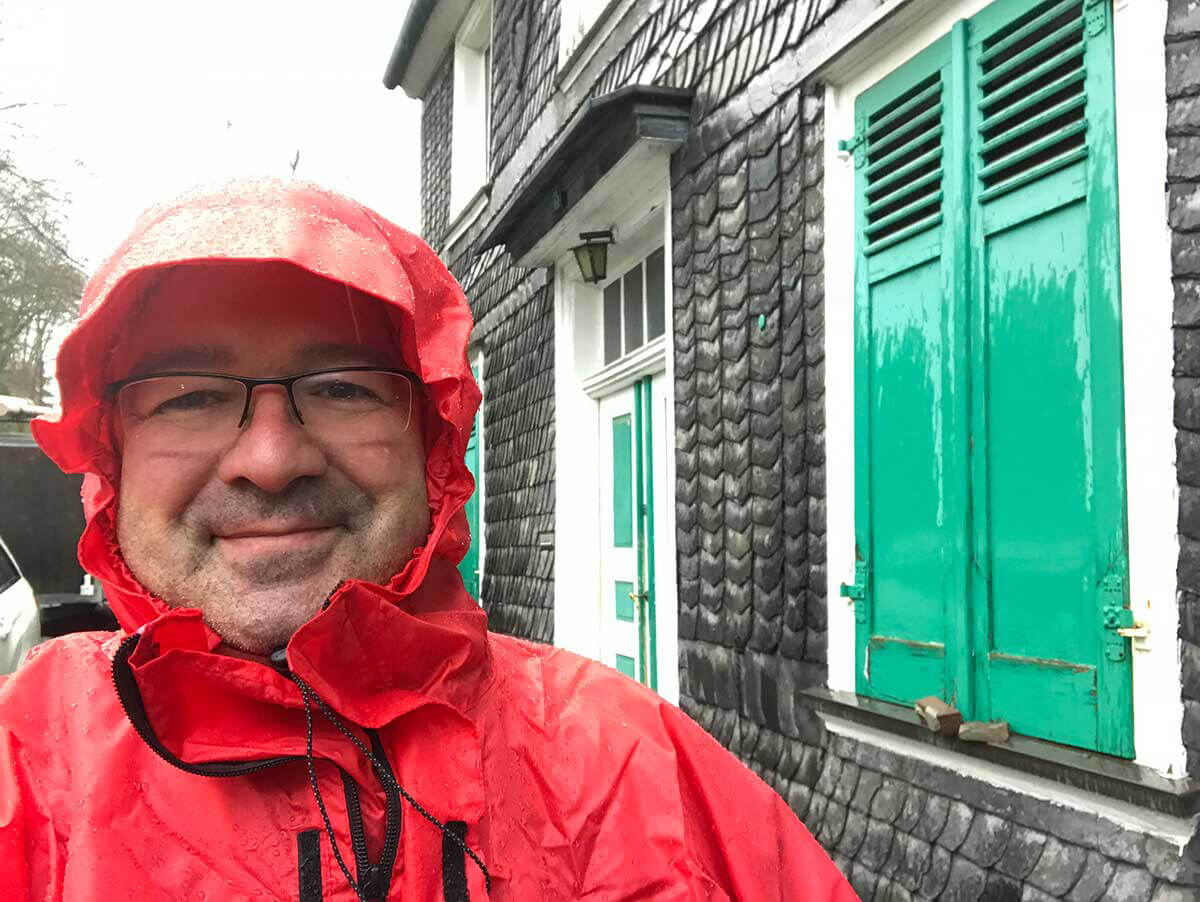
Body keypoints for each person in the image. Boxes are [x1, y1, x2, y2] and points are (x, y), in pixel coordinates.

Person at [0, 179, 854, 900]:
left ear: (433, 444)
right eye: (189, 397)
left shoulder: (638, 771)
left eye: (343, 387)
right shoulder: (25, 768)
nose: (271, 460)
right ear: (111, 455)